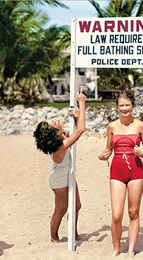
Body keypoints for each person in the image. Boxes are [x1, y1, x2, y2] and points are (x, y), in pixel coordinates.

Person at [98, 90, 143, 257]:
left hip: (136, 170)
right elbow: (107, 150)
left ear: (132, 106)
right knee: (116, 215)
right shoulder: (112, 126)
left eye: (127, 105)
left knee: (133, 212)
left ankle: (130, 250)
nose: (124, 108)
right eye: (121, 105)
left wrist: (142, 153)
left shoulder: (140, 125)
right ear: (117, 107)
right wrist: (102, 156)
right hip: (117, 171)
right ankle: (116, 248)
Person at [33, 87, 87, 242]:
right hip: (59, 180)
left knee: (76, 206)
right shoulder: (59, 146)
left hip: (68, 175)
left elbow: (78, 128)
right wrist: (82, 104)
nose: (56, 120)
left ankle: (73, 233)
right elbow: (81, 130)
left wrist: (77, 116)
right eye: (54, 123)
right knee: (61, 209)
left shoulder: (63, 136)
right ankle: (54, 236)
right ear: (56, 133)